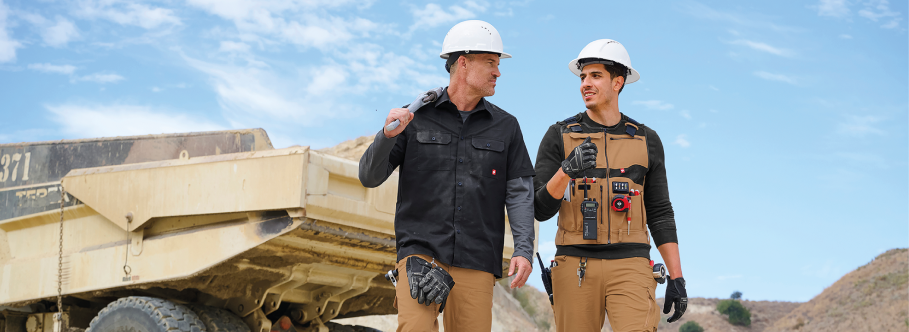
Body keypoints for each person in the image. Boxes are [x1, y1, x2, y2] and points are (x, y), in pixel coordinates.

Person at [358, 20, 535, 332]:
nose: (498, 72)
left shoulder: (507, 127)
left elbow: (519, 192)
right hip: (421, 257)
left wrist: (523, 248)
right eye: (491, 63)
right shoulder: (413, 117)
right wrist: (385, 136)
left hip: (478, 260)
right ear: (463, 64)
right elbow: (369, 177)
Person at [533, 39, 687, 332]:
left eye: (595, 76)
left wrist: (677, 278)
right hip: (574, 265)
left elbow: (660, 212)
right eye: (582, 77)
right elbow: (539, 209)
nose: (585, 84)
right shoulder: (559, 135)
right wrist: (566, 171)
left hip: (632, 265)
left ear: (618, 82)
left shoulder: (647, 140)